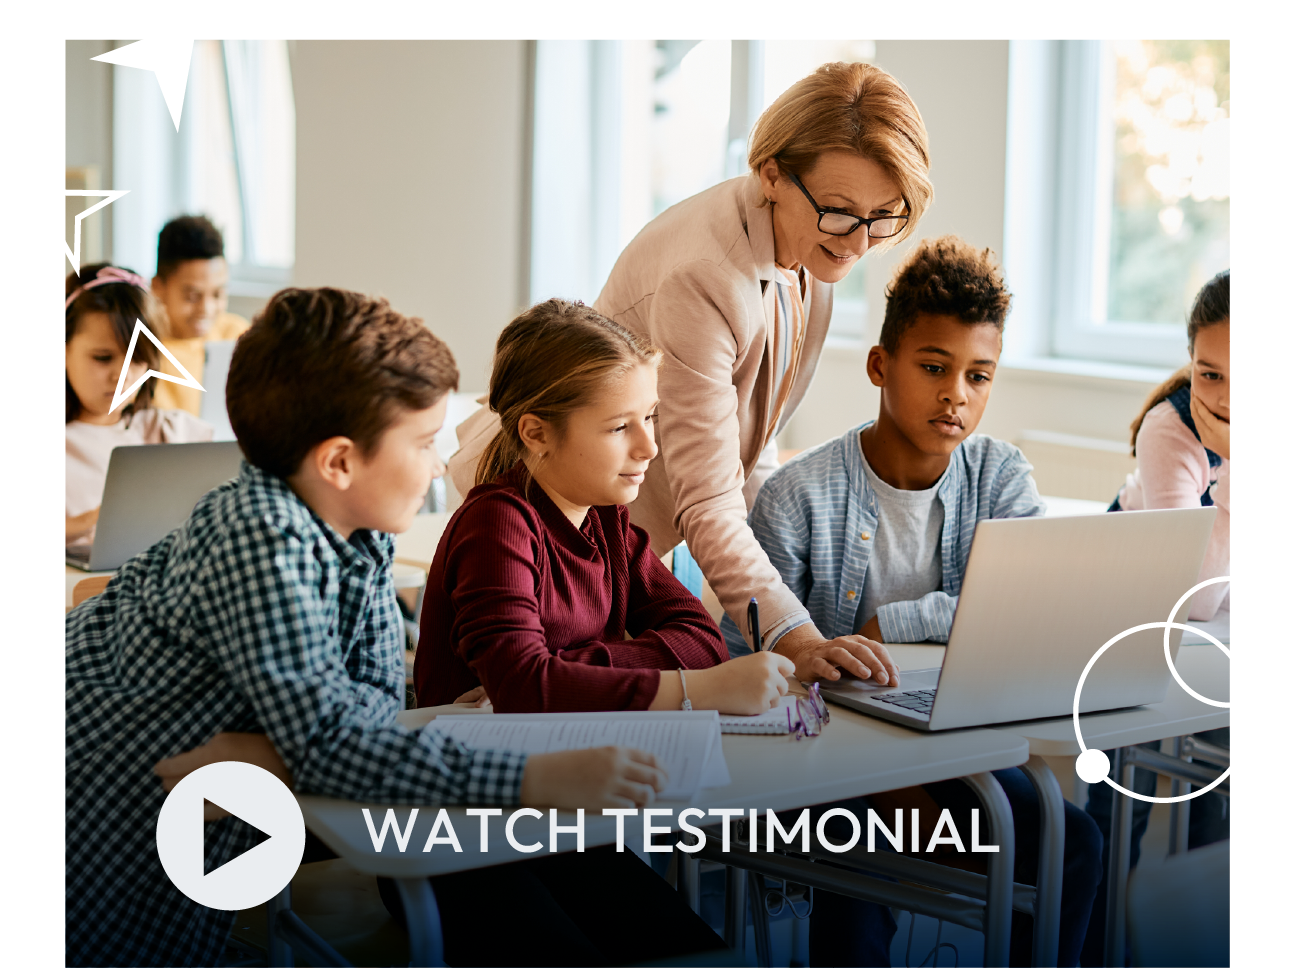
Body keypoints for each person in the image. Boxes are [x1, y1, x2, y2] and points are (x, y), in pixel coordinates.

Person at [65, 287, 693, 968]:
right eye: (423, 443)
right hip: (99, 835)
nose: (435, 469)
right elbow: (341, 740)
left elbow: (373, 710)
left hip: (196, 820)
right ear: (339, 462)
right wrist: (535, 777)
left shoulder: (358, 534)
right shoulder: (260, 534)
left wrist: (280, 752)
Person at [451, 61, 931, 687]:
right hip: (545, 523)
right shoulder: (706, 274)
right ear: (772, 175)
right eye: (840, 211)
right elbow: (708, 495)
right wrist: (794, 634)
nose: (859, 242)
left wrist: (797, 614)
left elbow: (746, 456)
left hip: (617, 539)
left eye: (883, 215)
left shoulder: (816, 247)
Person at [733, 238, 1102, 967]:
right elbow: (751, 656)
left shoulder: (998, 475)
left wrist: (891, 624)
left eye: (978, 375)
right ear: (880, 366)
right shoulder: (796, 498)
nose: (955, 394)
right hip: (824, 761)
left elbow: (1027, 605)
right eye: (934, 368)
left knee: (1075, 842)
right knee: (858, 865)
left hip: (952, 745)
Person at [415, 298, 799, 714]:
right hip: (475, 767)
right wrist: (695, 689)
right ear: (536, 434)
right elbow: (523, 686)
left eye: (649, 417)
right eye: (619, 427)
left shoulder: (605, 519)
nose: (649, 447)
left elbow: (703, 642)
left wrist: (560, 673)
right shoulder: (496, 524)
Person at [1080, 269, 1231, 967]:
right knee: (1119, 806)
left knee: (1219, 792)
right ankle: (1094, 948)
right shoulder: (1172, 433)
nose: (1224, 400)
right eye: (1210, 374)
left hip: (1212, 647)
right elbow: (1192, 598)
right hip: (1129, 619)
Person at [65, 263, 212, 547]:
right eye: (103, 357)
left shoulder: (168, 431)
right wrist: (90, 521)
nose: (123, 376)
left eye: (137, 359)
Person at [149, 214, 250, 414]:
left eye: (218, 294)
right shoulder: (141, 351)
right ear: (158, 288)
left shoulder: (239, 336)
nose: (207, 309)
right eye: (192, 296)